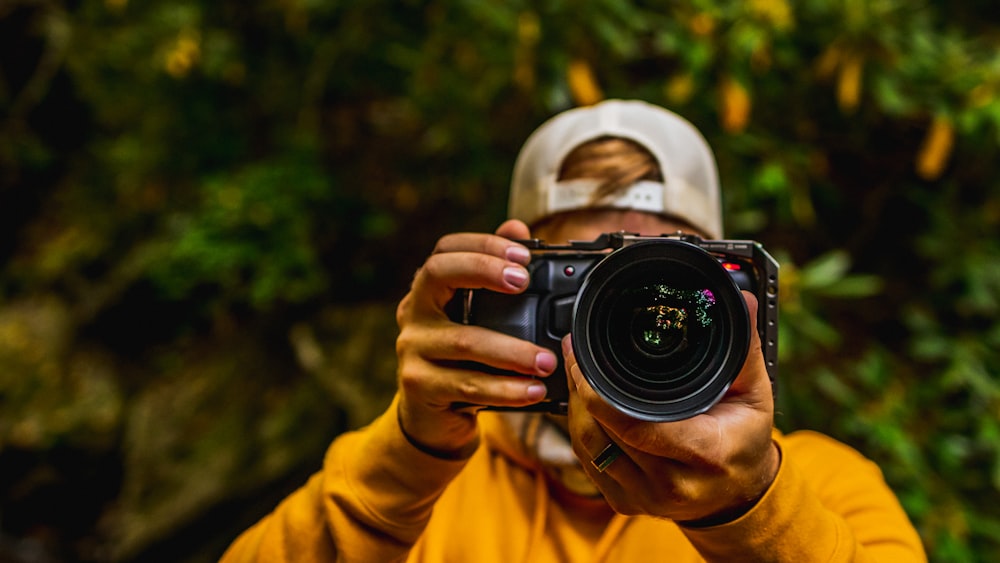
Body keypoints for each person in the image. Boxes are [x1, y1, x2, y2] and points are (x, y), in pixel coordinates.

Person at [220, 99, 926, 562]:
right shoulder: (432, 483)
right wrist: (408, 452)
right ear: (519, 288)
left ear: (732, 289)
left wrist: (750, 510)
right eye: (595, 281)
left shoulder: (822, 484)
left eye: (670, 279)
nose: (644, 320)